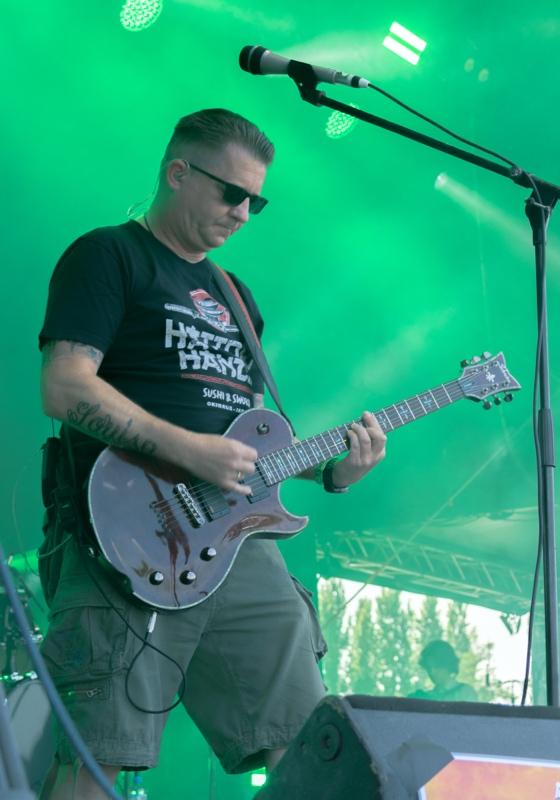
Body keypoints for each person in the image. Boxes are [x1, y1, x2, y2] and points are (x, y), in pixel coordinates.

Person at [37, 108, 389, 798]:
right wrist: (189, 452)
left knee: (307, 743)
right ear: (178, 173)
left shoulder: (236, 297)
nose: (244, 213)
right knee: (98, 753)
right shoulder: (108, 255)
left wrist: (332, 471)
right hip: (125, 534)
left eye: (257, 201)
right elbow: (64, 385)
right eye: (232, 193)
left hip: (235, 542)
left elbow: (251, 442)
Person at [409, 640, 478, 702]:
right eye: (429, 668)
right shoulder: (426, 697)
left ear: (447, 665)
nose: (432, 672)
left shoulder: (465, 692)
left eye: (436, 666)